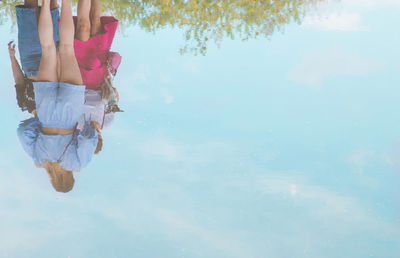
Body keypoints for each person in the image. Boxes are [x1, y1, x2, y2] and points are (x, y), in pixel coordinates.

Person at [17, 0, 98, 193]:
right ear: (53, 179)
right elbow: (22, 132)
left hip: (70, 114)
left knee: (67, 48)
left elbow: (88, 140)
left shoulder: (77, 163)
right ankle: (45, 4)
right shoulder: (39, 159)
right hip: (45, 113)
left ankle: (66, 2)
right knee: (48, 49)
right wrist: (39, 120)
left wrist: (88, 129)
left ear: (70, 177)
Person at [8, 0, 60, 113]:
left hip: (30, 58)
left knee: (29, 9)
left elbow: (19, 80)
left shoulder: (24, 104)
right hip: (51, 61)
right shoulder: (56, 108)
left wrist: (12, 57)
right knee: (51, 9)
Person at [74, 0, 122, 104]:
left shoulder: (77, 114)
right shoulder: (107, 110)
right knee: (95, 19)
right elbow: (114, 92)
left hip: (81, 64)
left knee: (83, 26)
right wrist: (113, 101)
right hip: (100, 61)